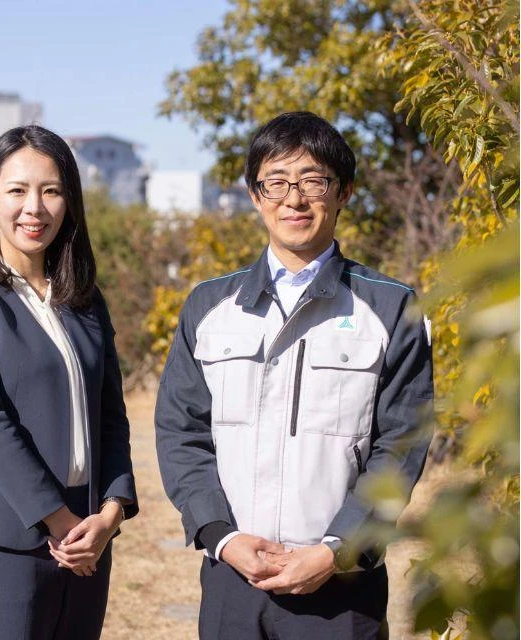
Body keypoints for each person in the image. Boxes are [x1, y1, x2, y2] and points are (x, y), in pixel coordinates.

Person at [155, 111, 433, 639]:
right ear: (255, 195)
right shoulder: (210, 306)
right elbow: (181, 432)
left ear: (343, 191)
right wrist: (221, 535)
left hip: (343, 588)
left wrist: (335, 549)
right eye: (276, 182)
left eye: (312, 181)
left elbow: (401, 442)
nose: (294, 199)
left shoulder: (391, 307)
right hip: (233, 578)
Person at [0, 124, 138, 639]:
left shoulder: (85, 299)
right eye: (18, 190)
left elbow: (110, 416)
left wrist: (109, 514)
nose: (35, 208)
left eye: (51, 190)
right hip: (7, 540)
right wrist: (60, 522)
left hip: (87, 541)